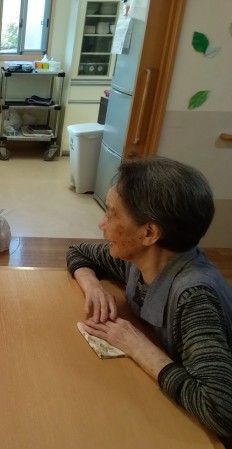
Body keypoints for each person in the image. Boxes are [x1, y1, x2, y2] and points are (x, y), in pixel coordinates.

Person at [66, 156, 232, 447]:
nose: (102, 224)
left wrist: (139, 347)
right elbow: (79, 252)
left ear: (149, 233)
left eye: (111, 215)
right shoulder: (141, 259)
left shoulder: (195, 298)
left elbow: (220, 411)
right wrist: (93, 286)